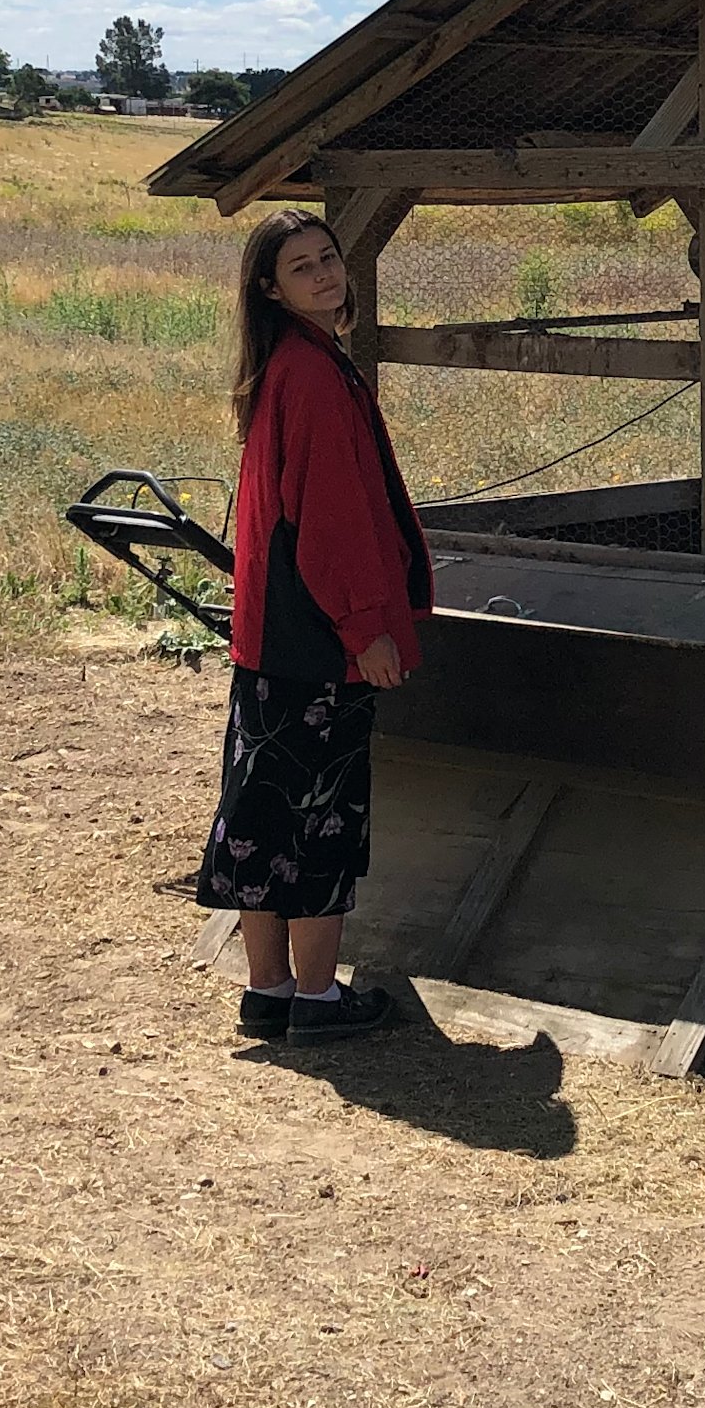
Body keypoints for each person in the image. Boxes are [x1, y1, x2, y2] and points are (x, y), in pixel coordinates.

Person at [195, 208, 430, 1041]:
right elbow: (333, 525)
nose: (326, 274)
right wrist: (369, 627)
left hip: (270, 636)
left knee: (263, 809)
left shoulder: (282, 367)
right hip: (321, 643)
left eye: (329, 258)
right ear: (270, 287)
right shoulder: (314, 377)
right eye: (303, 266)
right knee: (322, 815)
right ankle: (322, 998)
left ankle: (269, 991)